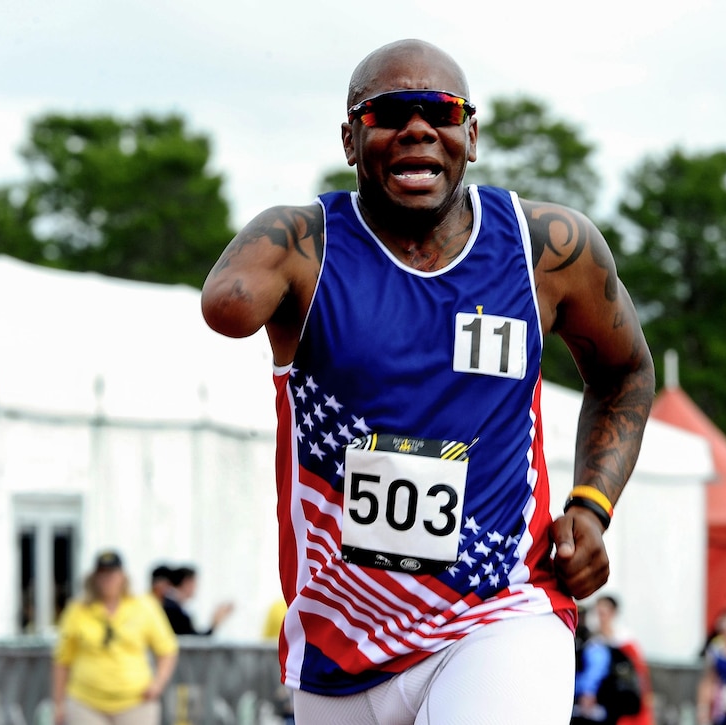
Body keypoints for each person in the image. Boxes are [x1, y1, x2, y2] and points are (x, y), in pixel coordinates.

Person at [201, 38, 655, 724]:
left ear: (470, 136)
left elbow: (625, 371)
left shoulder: (547, 250)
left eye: (440, 111)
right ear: (352, 139)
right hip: (342, 644)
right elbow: (225, 307)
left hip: (499, 612)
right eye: (388, 112)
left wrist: (591, 505)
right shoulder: (309, 248)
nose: (417, 127)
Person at [52, 550, 178, 725]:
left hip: (135, 701)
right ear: (94, 578)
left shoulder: (144, 606)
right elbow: (62, 659)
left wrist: (158, 683)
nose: (107, 580)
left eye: (112, 574)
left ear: (123, 577)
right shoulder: (77, 610)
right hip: (86, 701)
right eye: (102, 575)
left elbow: (167, 649)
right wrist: (59, 704)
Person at [594, 595, 653, 725]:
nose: (600, 618)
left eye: (603, 613)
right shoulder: (594, 641)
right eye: (598, 613)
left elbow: (640, 670)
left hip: (623, 696)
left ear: (613, 613)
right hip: (602, 696)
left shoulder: (625, 638)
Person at [160, 565, 234, 636]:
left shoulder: (171, 606)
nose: (196, 588)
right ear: (187, 583)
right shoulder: (173, 610)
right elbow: (193, 640)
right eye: (195, 583)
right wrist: (214, 624)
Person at [573, 608, 615, 725]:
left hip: (587, 702)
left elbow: (593, 673)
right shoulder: (592, 642)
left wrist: (587, 694)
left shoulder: (595, 645)